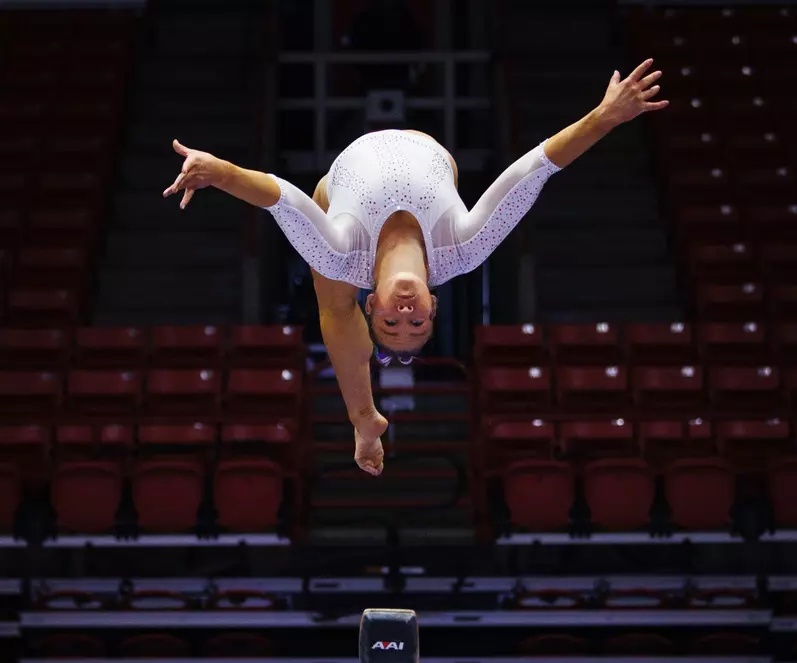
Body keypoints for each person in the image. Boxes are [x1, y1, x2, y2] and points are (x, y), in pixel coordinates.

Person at [163, 59, 667, 476]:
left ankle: (362, 418)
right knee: (336, 303)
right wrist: (605, 116)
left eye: (391, 323)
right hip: (431, 157)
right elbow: (534, 169)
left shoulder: (339, 252)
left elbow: (279, 197)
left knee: (333, 299)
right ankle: (365, 419)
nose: (404, 314)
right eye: (416, 323)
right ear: (433, 304)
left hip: (338, 189)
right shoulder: (465, 248)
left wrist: (218, 171)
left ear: (375, 303)